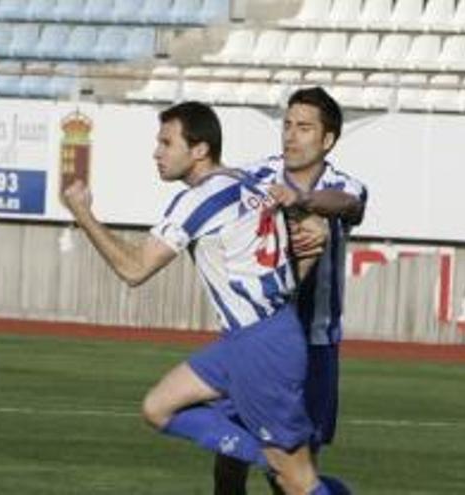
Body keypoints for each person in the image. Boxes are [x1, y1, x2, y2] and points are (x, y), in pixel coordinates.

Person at [62, 101, 345, 494]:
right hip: (251, 339)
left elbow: (134, 270)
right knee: (158, 407)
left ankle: (280, 464)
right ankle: (265, 456)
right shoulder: (249, 184)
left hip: (260, 346)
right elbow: (309, 243)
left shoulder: (198, 199)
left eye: (166, 142)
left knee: (297, 481)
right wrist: (313, 228)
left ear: (199, 150)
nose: (156, 153)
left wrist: (83, 213)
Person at [215, 87, 367, 494]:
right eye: (287, 125)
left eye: (304, 128)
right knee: (230, 454)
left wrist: (301, 200)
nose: (290, 136)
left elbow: (347, 205)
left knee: (297, 470)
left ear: (328, 139)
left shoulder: (344, 184)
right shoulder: (255, 177)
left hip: (313, 343)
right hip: (252, 337)